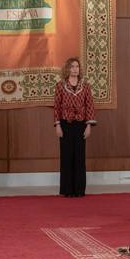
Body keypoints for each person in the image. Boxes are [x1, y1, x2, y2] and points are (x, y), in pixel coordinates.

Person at [53, 57, 95, 198]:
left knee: (79, 157)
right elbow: (57, 107)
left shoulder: (86, 86)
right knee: (67, 156)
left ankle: (79, 190)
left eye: (77, 66)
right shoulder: (60, 86)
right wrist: (58, 125)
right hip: (65, 124)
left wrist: (88, 126)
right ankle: (67, 190)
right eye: (72, 67)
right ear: (67, 69)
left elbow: (89, 106)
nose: (75, 69)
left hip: (80, 124)